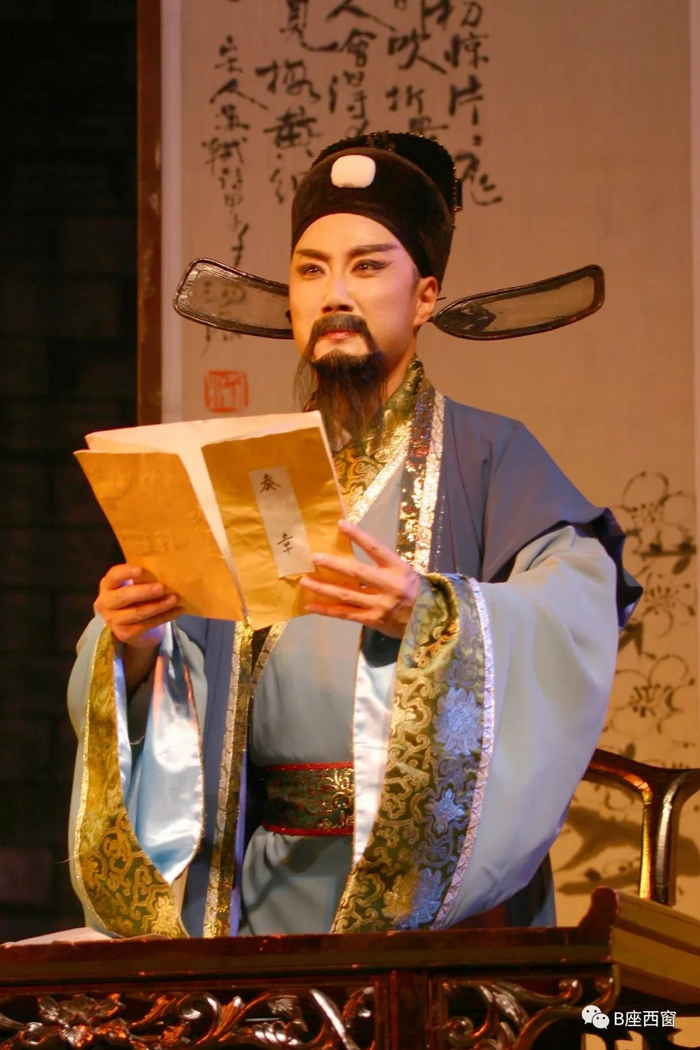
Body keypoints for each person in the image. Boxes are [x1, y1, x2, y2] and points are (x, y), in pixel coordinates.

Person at [67, 132, 640, 939]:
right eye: (311, 271)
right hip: (261, 883)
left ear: (426, 296)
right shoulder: (243, 470)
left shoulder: (490, 456)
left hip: (436, 893)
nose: (334, 293)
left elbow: (574, 612)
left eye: (367, 267)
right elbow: (191, 666)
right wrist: (134, 644)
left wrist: (436, 614)